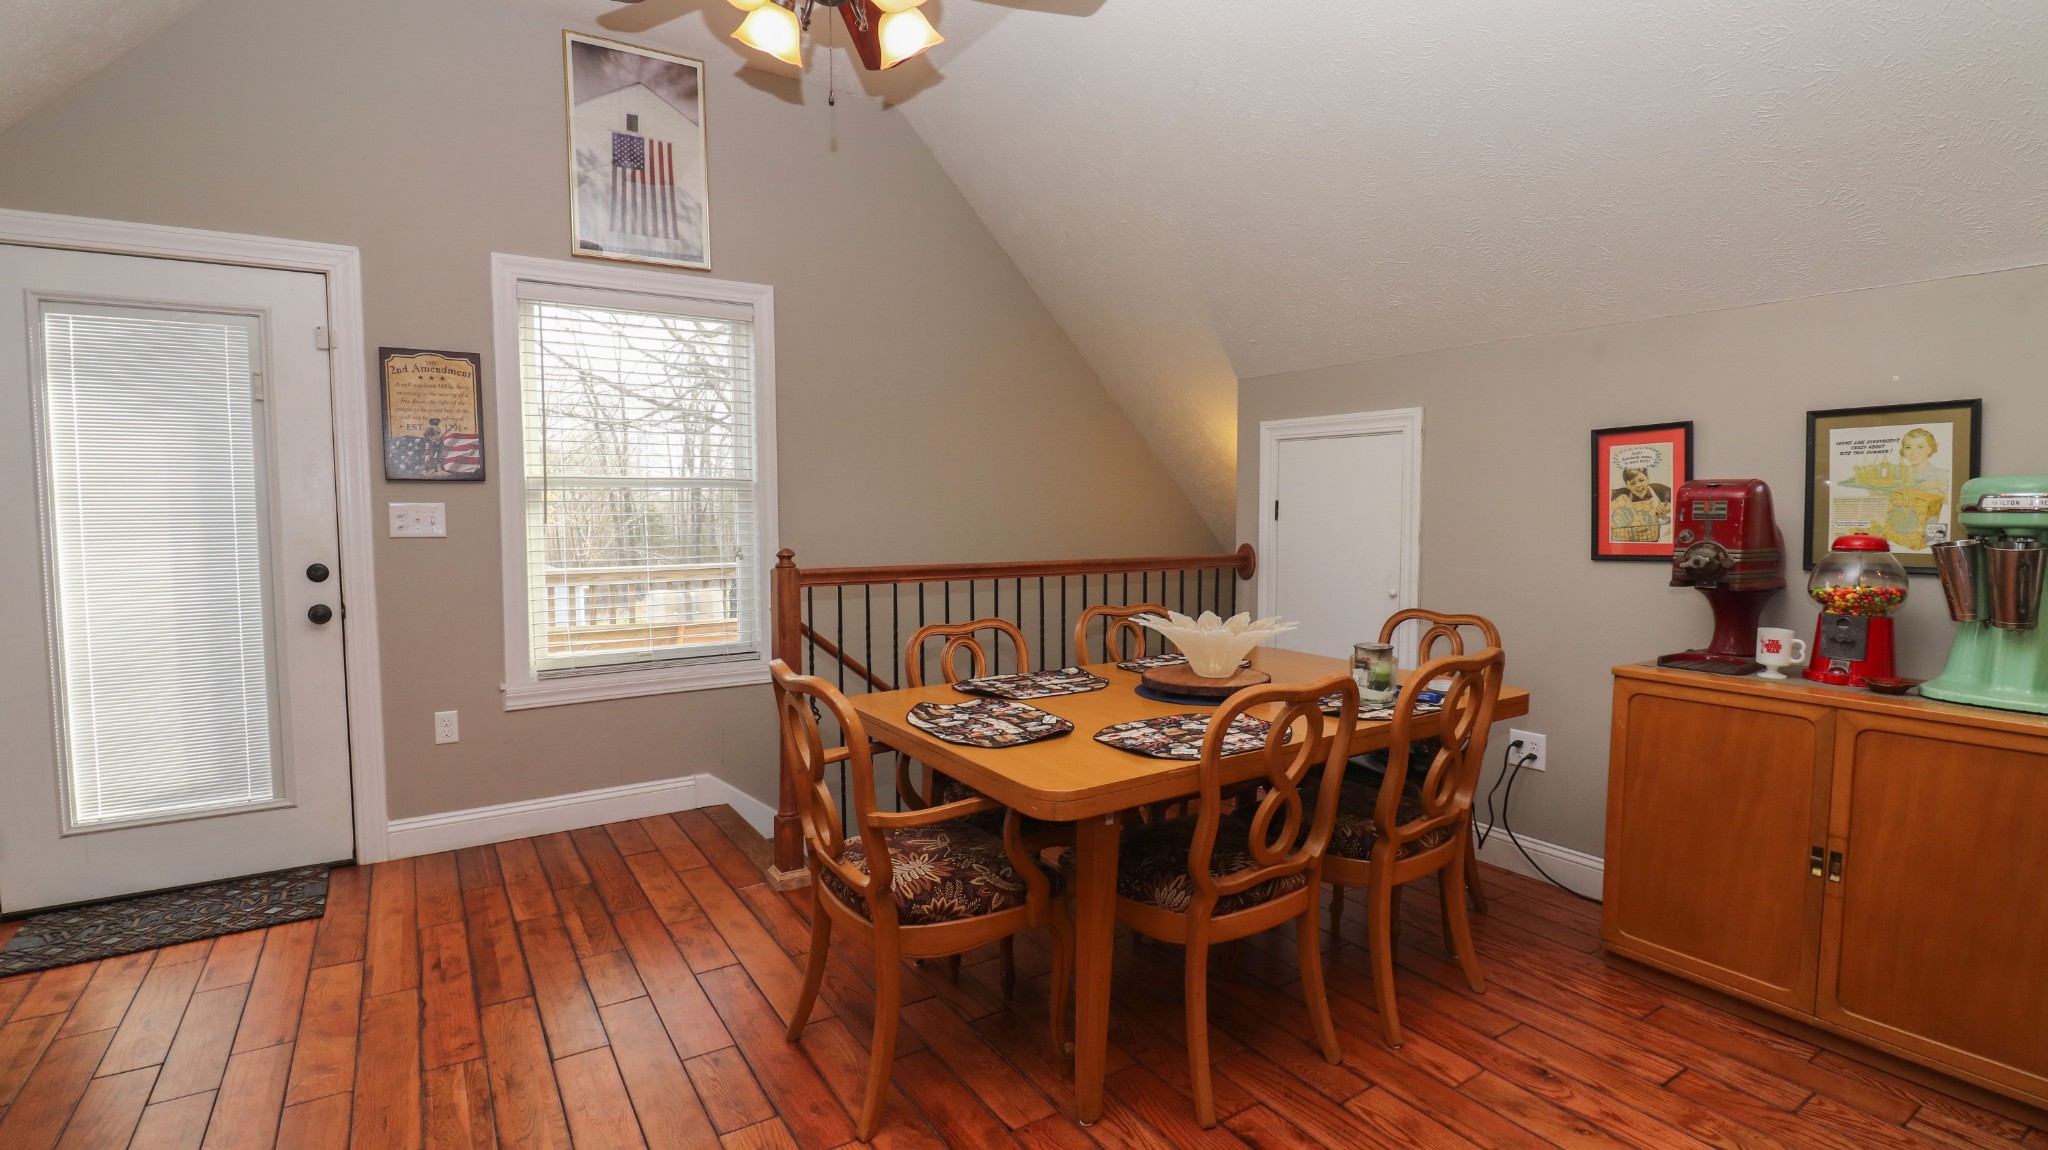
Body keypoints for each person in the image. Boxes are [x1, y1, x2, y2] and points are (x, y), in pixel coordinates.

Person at [1609, 467, 1673, 543]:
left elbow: (1681, 502)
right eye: (1632, 483)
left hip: (1661, 535)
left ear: (1647, 478)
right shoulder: (1623, 493)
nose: (1639, 485)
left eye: (1641, 480)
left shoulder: (1660, 489)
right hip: (1637, 537)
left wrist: (1668, 508)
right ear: (1627, 485)